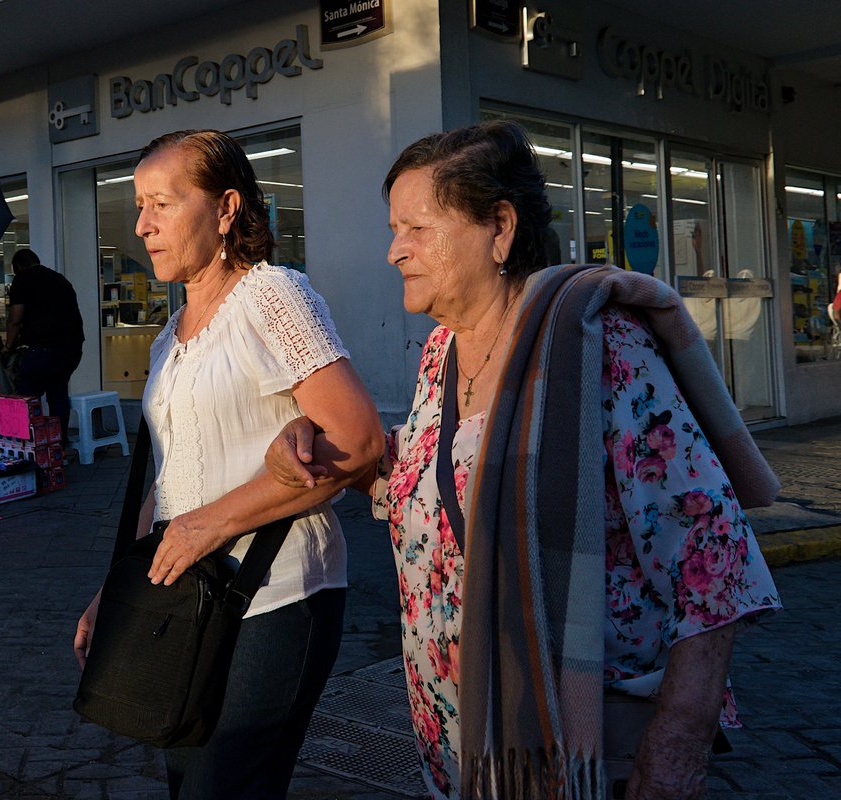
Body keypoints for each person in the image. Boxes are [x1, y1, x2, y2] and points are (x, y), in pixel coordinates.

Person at [265, 120, 782, 800]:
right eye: (394, 229)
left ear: (499, 228)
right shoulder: (440, 355)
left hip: (584, 740)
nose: (394, 251)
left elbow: (715, 560)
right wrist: (317, 436)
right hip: (464, 735)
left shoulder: (600, 350)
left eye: (415, 228)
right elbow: (432, 473)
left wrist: (677, 747)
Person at [73, 129, 384, 799]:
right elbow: (164, 484)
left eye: (161, 203)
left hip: (277, 592)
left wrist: (209, 525)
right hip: (190, 599)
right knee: (184, 776)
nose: (142, 224)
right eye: (138, 205)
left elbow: (359, 441)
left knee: (228, 786)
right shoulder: (167, 337)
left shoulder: (273, 297)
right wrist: (119, 591)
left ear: (225, 209)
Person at [4, 248, 84, 448]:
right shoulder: (60, 280)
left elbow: (15, 319)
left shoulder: (22, 280)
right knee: (58, 395)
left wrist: (8, 346)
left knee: (25, 399)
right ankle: (57, 446)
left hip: (43, 349)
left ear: (19, 267)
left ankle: (26, 446)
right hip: (71, 348)